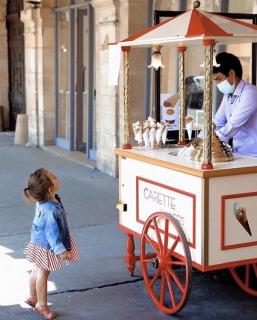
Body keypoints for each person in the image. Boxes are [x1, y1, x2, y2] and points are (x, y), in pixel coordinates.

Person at [23, 168, 80, 319]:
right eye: (54, 177)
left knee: (35, 269)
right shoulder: (50, 210)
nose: (57, 177)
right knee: (43, 273)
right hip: (47, 245)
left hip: (37, 241)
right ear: (49, 189)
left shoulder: (44, 201)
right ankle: (42, 306)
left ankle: (33, 297)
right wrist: (61, 251)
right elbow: (52, 234)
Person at [192, 52, 257, 156]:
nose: (217, 84)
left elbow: (232, 127)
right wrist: (199, 138)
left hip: (253, 156)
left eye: (218, 79)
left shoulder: (250, 93)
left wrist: (205, 143)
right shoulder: (228, 95)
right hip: (239, 153)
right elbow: (217, 122)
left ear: (231, 74)